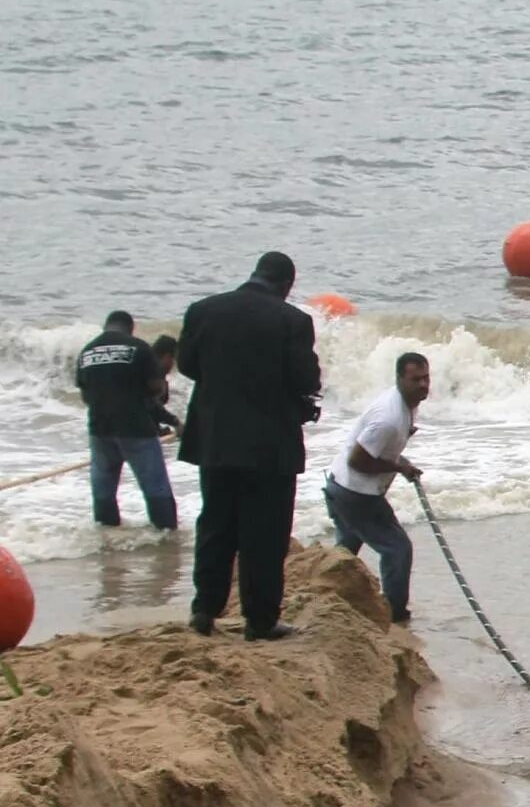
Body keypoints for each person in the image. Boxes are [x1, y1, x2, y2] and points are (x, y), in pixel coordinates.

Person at [177, 251, 321, 640]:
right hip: (269, 444)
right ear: (287, 284)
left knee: (216, 524)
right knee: (266, 534)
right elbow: (306, 379)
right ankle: (259, 620)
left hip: (216, 438)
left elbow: (188, 366)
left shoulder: (203, 310)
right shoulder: (293, 321)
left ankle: (204, 610)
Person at [323, 353, 428, 625]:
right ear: (399, 379)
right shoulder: (388, 418)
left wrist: (401, 463)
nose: (423, 385)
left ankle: (326, 598)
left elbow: (383, 450)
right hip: (355, 494)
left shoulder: (407, 405)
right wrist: (397, 468)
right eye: (415, 379)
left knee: (345, 553)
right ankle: (394, 616)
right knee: (397, 549)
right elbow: (357, 460)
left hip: (340, 486)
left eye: (426, 378)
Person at [75, 311, 178, 529]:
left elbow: (86, 397)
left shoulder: (86, 352)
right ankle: (166, 537)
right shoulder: (138, 348)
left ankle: (107, 536)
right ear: (131, 327)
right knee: (155, 488)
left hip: (100, 429)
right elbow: (154, 389)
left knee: (103, 490)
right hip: (135, 429)